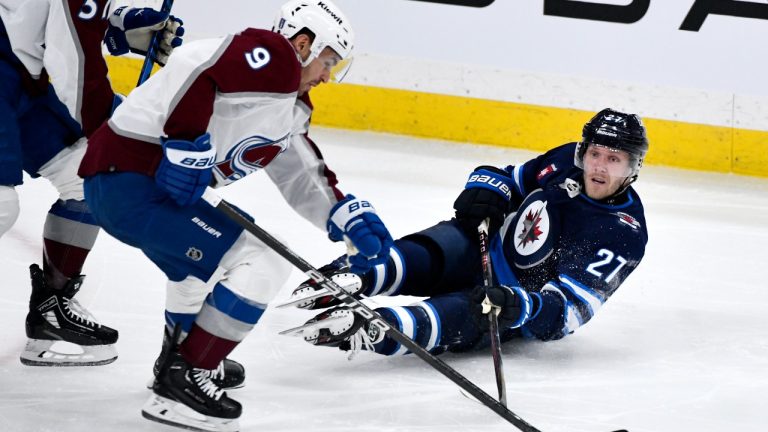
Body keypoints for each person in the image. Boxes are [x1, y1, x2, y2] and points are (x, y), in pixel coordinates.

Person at [77, 1, 393, 430]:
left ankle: (180, 356)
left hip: (122, 182)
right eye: (327, 61)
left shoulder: (288, 106)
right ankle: (185, 377)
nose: (327, 76)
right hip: (131, 178)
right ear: (304, 43)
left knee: (196, 271)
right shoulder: (277, 58)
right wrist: (185, 143)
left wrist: (345, 216)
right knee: (263, 260)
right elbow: (202, 66)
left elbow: (301, 174)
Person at [289, 108, 649, 358]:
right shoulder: (565, 161)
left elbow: (570, 311)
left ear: (633, 167)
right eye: (595, 153)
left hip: (508, 298)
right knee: (440, 248)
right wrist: (487, 188)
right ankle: (358, 275)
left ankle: (379, 330)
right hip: (483, 248)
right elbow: (508, 178)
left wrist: (519, 304)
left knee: (471, 311)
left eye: (614, 159)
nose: (599, 167)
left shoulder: (623, 233)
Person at [0, 0, 183, 366]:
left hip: (19, 82)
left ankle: (51, 311)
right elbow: (74, 67)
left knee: (91, 175)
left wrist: (118, 22)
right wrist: (117, 126)